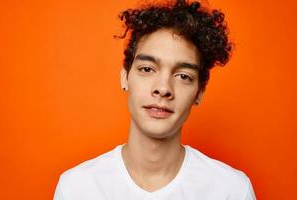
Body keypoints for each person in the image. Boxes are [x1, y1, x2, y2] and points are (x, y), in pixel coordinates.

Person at [53, 0, 256, 199]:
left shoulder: (232, 190)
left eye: (183, 76)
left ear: (199, 92)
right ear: (125, 77)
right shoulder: (77, 189)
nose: (163, 88)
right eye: (147, 69)